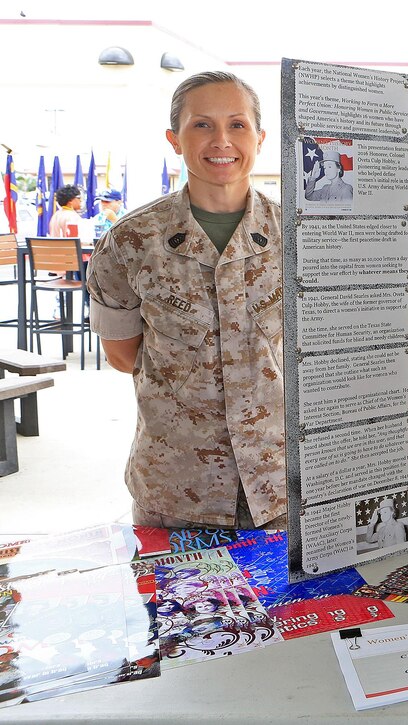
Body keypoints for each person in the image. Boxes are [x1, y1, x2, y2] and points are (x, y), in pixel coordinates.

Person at [87, 71, 285, 529]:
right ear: (174, 139)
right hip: (175, 489)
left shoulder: (298, 236)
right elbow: (121, 356)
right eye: (202, 124)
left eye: (237, 125)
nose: (222, 140)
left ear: (260, 137)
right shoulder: (130, 241)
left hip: (278, 488)